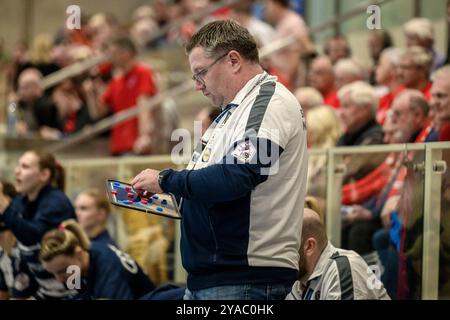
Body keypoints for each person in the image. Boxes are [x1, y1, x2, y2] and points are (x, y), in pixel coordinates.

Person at [131, 20, 308, 300]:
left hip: (246, 279)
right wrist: (164, 196)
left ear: (234, 60)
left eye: (201, 73)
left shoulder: (269, 103)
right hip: (215, 278)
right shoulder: (231, 113)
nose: (198, 86)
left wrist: (166, 180)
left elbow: (238, 177)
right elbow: (207, 188)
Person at [0, 150, 77, 299]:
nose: (17, 171)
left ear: (44, 175)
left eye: (25, 166)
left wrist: (3, 204)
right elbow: (6, 224)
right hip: (46, 290)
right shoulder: (23, 200)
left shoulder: (56, 202)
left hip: (73, 291)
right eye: (18, 165)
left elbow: (32, 237)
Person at [286, 208, 390, 300]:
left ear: (309, 246)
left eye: (287, 246)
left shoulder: (342, 269)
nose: (280, 254)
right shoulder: (299, 283)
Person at [39, 219, 155, 300]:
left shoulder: (109, 273)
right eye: (53, 273)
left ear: (79, 253)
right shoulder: (74, 267)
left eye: (62, 271)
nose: (59, 279)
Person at [86, 35, 158, 156]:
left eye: (114, 53)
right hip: (117, 146)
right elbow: (98, 113)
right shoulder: (116, 81)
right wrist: (91, 93)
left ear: (126, 53)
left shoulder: (143, 72)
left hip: (136, 145)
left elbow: (144, 104)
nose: (111, 58)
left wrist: (144, 136)